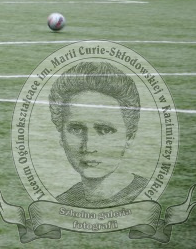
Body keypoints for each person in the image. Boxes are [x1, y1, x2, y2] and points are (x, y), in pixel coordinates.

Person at [48, 62, 149, 207]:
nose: (89, 146)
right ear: (61, 136)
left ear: (129, 137)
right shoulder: (59, 203)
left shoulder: (148, 196)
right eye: (76, 129)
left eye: (105, 130)